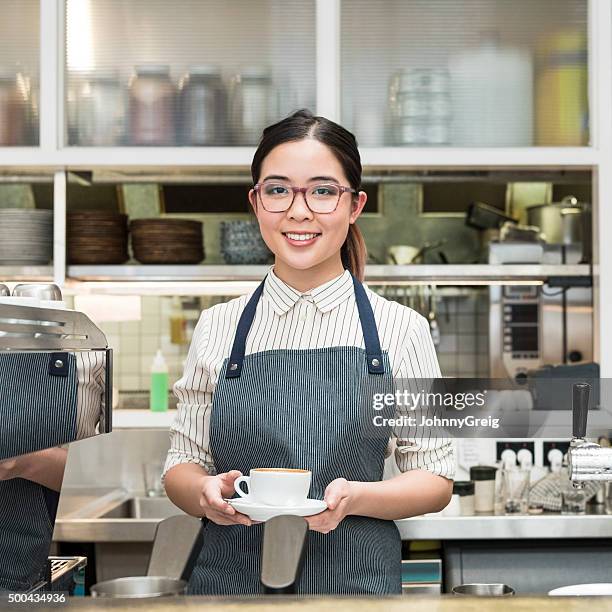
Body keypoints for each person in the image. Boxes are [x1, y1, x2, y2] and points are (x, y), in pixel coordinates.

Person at [163, 109, 455, 595]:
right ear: (256, 202)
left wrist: (358, 498)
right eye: (278, 190)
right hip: (230, 589)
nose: (299, 211)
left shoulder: (401, 329)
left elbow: (435, 478)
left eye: (322, 190)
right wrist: (203, 493)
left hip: (357, 588)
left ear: (354, 205)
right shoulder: (219, 326)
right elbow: (182, 465)